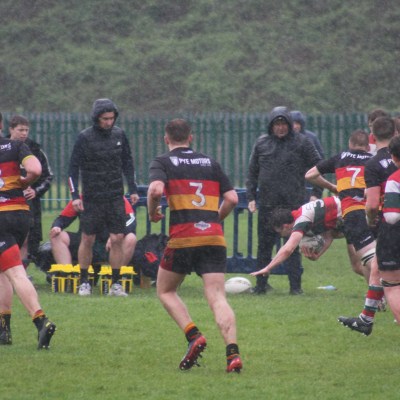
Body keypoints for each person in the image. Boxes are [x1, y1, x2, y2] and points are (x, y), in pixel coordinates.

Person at [147, 118, 242, 373]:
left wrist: (153, 212)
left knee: (165, 290)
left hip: (183, 238)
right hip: (213, 238)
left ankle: (193, 335)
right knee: (217, 297)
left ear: (166, 139)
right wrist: (215, 220)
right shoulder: (210, 162)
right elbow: (232, 198)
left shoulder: (163, 162)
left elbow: (155, 190)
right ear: (191, 138)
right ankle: (233, 354)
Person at [246, 106, 321, 295]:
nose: (280, 128)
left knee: (292, 247)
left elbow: (318, 166)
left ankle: (295, 288)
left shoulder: (302, 142)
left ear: (289, 124)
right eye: (276, 124)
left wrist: (316, 192)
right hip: (268, 204)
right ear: (271, 126)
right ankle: (261, 286)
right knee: (264, 247)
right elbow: (252, 172)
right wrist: (251, 196)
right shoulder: (262, 143)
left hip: (292, 205)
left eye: (283, 124)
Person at [68, 98, 139, 296]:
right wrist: (75, 195)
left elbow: (128, 163)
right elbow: (72, 168)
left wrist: (133, 189)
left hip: (115, 196)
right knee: (87, 238)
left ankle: (115, 284)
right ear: (96, 118)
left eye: (111, 118)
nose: (109, 122)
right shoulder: (84, 137)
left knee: (117, 238)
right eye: (105, 119)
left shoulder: (119, 134)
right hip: (92, 197)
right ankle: (84, 282)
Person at [337, 116, 397, 335]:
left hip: (390, 224)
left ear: (373, 135)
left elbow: (371, 205)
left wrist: (372, 222)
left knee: (391, 283)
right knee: (376, 269)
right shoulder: (392, 162)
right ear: (395, 133)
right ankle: (366, 319)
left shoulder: (373, 164)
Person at [0, 131, 56, 348]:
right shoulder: (15, 146)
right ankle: (4, 330)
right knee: (4, 270)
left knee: (14, 272)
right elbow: (35, 170)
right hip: (21, 214)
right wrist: (24, 182)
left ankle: (41, 321)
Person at [305, 129, 375, 283]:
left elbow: (309, 175)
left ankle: (383, 290)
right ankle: (379, 291)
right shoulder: (373, 161)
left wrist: (332, 187)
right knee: (360, 264)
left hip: (351, 214)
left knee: (367, 262)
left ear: (349, 144)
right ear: (368, 147)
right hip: (370, 212)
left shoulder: (341, 157)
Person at [250, 196, 364, 278]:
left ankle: (374, 291)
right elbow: (330, 235)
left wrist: (268, 268)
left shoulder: (301, 220)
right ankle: (374, 290)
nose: (280, 236)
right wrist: (317, 255)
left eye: (280, 232)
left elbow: (287, 249)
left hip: (356, 213)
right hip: (351, 216)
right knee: (358, 267)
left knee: (360, 265)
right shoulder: (305, 216)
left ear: (285, 226)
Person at [8, 115, 53, 265]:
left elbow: (48, 176)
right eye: (20, 130)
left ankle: (22, 272)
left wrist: (35, 191)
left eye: (26, 130)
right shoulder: (3, 147)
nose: (24, 133)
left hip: (27, 203)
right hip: (6, 200)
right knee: (7, 237)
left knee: (25, 238)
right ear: (11, 129)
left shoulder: (35, 149)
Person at [49, 196, 137, 269]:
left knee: (131, 238)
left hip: (110, 245)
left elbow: (131, 221)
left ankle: (116, 277)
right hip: (84, 242)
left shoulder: (118, 199)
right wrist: (56, 226)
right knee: (56, 235)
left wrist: (115, 236)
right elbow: (63, 218)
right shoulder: (80, 199)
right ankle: (68, 274)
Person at [376, 135, 400, 324]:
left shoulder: (394, 179)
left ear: (393, 156)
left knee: (392, 286)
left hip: (394, 237)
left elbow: (391, 217)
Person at [290, 110, 325, 201]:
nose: (295, 126)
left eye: (297, 123)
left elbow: (320, 166)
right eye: (293, 123)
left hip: (309, 186)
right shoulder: (284, 141)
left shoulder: (311, 138)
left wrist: (316, 193)